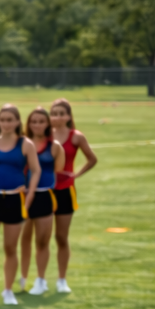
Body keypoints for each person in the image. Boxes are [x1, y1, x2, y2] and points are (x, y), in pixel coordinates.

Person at [0, 104, 40, 307]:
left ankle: (8, 290)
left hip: (15, 199)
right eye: (2, 120)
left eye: (10, 120)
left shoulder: (25, 144)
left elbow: (36, 171)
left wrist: (28, 197)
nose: (6, 124)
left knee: (10, 248)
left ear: (18, 122)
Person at [47, 98, 96, 296]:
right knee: (41, 238)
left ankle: (61, 279)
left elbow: (92, 159)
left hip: (65, 190)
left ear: (68, 116)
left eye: (61, 113)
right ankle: (39, 279)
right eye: (54, 113)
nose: (57, 117)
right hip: (45, 190)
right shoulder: (43, 135)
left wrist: (75, 175)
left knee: (61, 237)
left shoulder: (76, 137)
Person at [17, 106, 64, 296]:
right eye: (33, 121)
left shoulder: (54, 147)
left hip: (44, 196)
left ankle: (41, 280)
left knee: (42, 241)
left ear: (47, 124)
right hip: (21, 196)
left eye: (41, 121)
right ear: (28, 124)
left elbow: (58, 169)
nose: (37, 125)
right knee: (24, 239)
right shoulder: (20, 144)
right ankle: (22, 278)